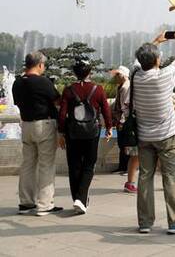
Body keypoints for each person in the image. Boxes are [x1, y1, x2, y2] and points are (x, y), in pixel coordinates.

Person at [133, 31, 175, 234]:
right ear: (158, 60)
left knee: (145, 177)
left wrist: (156, 41)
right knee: (170, 177)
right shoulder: (165, 76)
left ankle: (144, 222)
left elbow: (138, 60)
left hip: (144, 137)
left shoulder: (136, 76)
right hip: (166, 137)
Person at [12, 51, 63, 216]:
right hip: (44, 124)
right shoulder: (43, 82)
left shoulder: (17, 83)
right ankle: (44, 204)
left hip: (26, 125)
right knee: (46, 165)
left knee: (27, 164)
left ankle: (25, 202)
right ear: (40, 65)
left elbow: (18, 104)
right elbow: (58, 100)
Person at [58, 58, 113, 214]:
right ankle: (81, 200)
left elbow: (62, 114)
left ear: (75, 73)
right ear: (90, 72)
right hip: (92, 133)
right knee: (89, 165)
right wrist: (109, 127)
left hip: (72, 133)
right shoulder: (98, 89)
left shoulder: (68, 90)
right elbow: (106, 110)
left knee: (74, 165)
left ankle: (78, 198)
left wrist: (61, 133)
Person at [111, 66, 139, 193]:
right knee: (122, 143)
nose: (115, 77)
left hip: (125, 120)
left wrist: (123, 120)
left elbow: (126, 106)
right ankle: (122, 167)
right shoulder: (121, 86)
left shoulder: (127, 87)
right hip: (121, 119)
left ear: (123, 75)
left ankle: (126, 169)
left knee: (127, 145)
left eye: (117, 75)